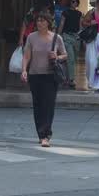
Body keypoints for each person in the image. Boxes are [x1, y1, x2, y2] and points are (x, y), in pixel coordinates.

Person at [20, 11, 66, 147]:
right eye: (38, 21)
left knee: (49, 105)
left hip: (50, 75)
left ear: (48, 22)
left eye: (43, 20)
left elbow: (65, 55)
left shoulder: (56, 38)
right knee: (38, 105)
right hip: (35, 75)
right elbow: (27, 56)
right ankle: (40, 134)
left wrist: (57, 57)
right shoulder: (31, 38)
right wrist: (24, 70)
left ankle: (46, 135)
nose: (40, 23)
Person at [59, 0, 83, 89]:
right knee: (71, 58)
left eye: (76, 1)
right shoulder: (65, 12)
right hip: (67, 36)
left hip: (76, 38)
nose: (74, 3)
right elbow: (61, 23)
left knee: (73, 59)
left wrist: (81, 37)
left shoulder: (79, 14)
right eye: (72, 1)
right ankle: (71, 80)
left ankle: (66, 77)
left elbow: (80, 26)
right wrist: (58, 35)